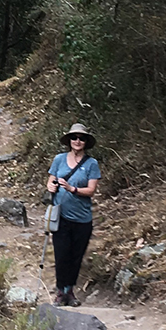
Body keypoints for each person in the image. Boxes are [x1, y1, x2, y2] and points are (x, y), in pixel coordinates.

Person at [47, 121, 100, 306]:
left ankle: (70, 291)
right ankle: (61, 291)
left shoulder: (92, 163)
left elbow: (91, 190)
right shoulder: (59, 159)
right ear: (69, 140)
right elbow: (50, 181)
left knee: (76, 256)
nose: (77, 141)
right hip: (61, 216)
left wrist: (72, 189)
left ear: (85, 142)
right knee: (61, 255)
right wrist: (52, 187)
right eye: (74, 138)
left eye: (81, 138)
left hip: (83, 218)